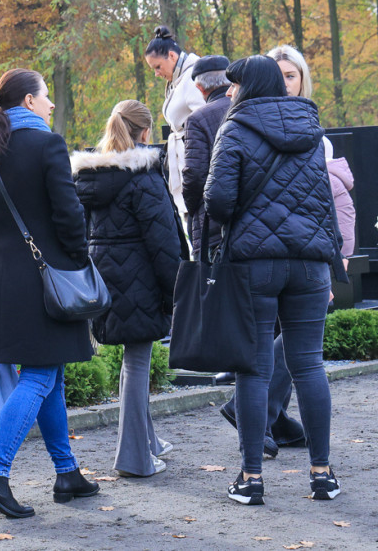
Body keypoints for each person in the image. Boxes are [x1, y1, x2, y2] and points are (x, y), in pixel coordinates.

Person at [204, 55, 344, 505]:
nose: (228, 92)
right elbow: (323, 198)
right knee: (309, 364)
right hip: (308, 263)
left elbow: (219, 201)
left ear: (248, 87)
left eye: (234, 84)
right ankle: (322, 474)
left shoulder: (236, 129)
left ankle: (251, 478)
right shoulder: (312, 131)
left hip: (254, 263)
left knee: (255, 367)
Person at [0, 68, 98, 518]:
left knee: (50, 374)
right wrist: (80, 259)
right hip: (48, 280)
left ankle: (66, 472)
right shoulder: (47, 144)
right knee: (40, 376)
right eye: (45, 97)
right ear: (27, 101)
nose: (51, 104)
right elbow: (68, 213)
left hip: (5, 282)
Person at [72, 100, 182, 478]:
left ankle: (147, 442)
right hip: (139, 280)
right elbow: (164, 245)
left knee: (132, 362)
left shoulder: (91, 178)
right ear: (146, 133)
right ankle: (134, 456)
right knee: (137, 362)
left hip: (104, 277)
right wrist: (175, 294)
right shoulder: (144, 178)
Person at [144, 25, 204, 220]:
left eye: (158, 67)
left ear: (172, 56)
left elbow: (206, 119)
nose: (156, 74)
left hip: (196, 161)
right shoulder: (178, 80)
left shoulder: (194, 76)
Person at [181, 55, 231, 255]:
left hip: (213, 224)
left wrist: (193, 210)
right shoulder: (249, 108)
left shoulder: (197, 120)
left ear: (200, 88)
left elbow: (194, 175)